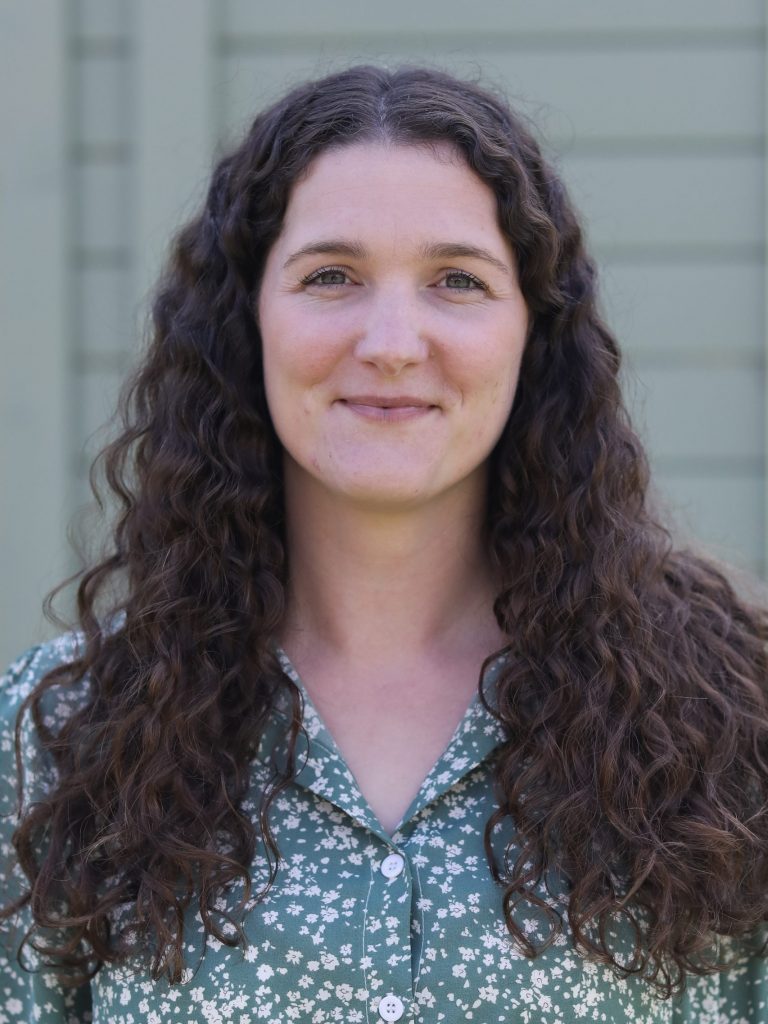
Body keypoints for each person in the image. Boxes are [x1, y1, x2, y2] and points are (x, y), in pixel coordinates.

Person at [1, 63, 767, 1024]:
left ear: (533, 330)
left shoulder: (733, 725)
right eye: (332, 277)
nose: (394, 340)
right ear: (247, 323)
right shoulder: (54, 744)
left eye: (458, 279)